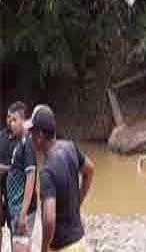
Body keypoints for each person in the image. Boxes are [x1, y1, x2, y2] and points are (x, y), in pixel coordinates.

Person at [28, 105, 94, 252]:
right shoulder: (70, 147)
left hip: (62, 247)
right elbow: (90, 170)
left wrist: (44, 249)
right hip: (80, 241)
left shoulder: (47, 172)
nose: (30, 136)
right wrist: (78, 201)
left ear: (39, 135)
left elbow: (49, 220)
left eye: (31, 132)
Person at [6, 102, 37, 252]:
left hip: (22, 211)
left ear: (24, 121)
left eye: (15, 120)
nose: (11, 124)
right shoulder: (19, 143)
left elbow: (31, 177)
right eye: (10, 120)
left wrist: (23, 214)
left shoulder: (28, 144)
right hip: (16, 209)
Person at [0, 108, 19, 251]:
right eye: (8, 117)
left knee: (16, 232)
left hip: (16, 194)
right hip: (0, 192)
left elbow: (24, 170)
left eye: (13, 118)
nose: (9, 121)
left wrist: (5, 169)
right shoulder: (0, 137)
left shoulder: (23, 141)